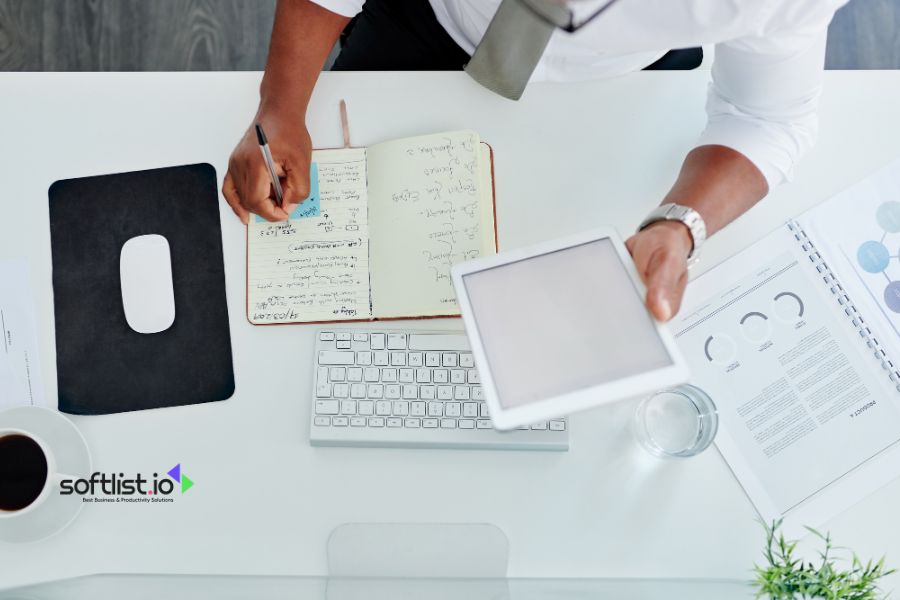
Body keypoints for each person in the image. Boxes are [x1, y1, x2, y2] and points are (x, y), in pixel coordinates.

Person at [223, 0, 847, 321]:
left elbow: (770, 117)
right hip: (435, 22)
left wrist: (680, 225)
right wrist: (278, 107)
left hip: (620, 85)